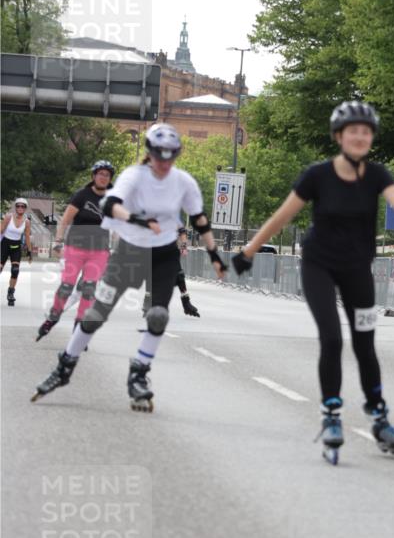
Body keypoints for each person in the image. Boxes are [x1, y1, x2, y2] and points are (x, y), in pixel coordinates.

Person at [232, 100, 394, 464]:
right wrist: (249, 251)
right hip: (318, 265)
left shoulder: (377, 174)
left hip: (357, 270)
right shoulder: (317, 175)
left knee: (365, 345)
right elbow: (283, 216)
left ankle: (379, 418)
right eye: (353, 131)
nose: (360, 137)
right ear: (339, 136)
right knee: (332, 338)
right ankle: (332, 415)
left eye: (366, 132)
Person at [32, 123, 226, 412]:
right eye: (159, 155)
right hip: (130, 252)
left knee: (158, 315)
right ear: (149, 153)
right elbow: (110, 205)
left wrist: (214, 255)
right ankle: (65, 366)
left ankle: (139, 374)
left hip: (163, 255)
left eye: (170, 156)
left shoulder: (183, 181)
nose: (164, 162)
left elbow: (199, 219)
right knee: (96, 314)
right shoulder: (134, 176)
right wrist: (137, 220)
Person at [37, 160, 115, 340]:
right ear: (93, 176)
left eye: (107, 175)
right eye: (100, 174)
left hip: (99, 251)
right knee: (66, 287)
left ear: (110, 179)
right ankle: (53, 316)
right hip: (75, 248)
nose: (103, 177)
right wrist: (58, 241)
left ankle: (79, 328)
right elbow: (65, 220)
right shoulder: (82, 195)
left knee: (89, 289)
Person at [142, 226, 200, 318]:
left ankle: (186, 302)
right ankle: (148, 301)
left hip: (170, 250)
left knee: (179, 274)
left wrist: (184, 247)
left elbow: (182, 232)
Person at [1, 198, 32, 305]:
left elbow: (27, 236)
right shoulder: (8, 217)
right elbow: (1, 230)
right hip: (4, 245)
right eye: (18, 206)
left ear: (25, 208)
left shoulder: (27, 222)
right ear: (15, 207)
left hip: (16, 246)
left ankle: (10, 293)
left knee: (15, 270)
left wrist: (29, 251)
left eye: (22, 206)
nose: (20, 208)